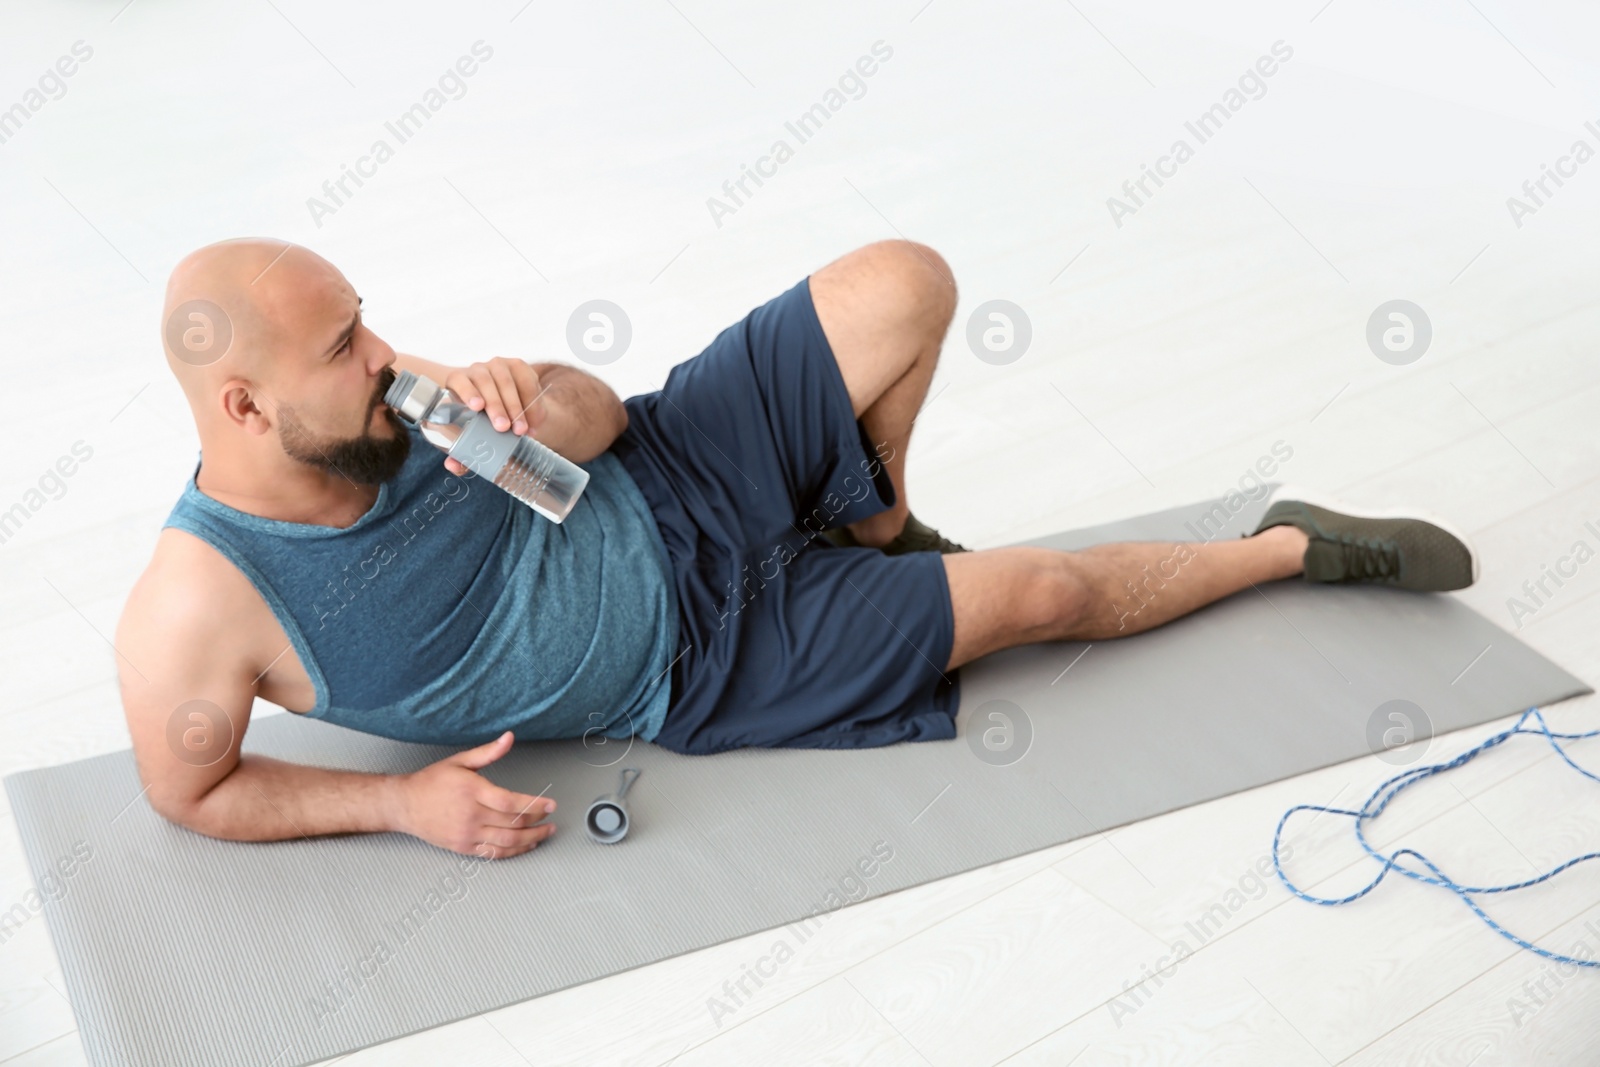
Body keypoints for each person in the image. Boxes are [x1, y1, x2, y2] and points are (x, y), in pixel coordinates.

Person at [117, 237, 1477, 860]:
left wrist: (536, 392)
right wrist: (397, 804)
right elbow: (193, 794)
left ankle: (875, 519)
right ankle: (1290, 548)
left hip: (673, 464)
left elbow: (594, 419)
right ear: (243, 409)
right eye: (346, 347)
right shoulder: (194, 613)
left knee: (906, 282)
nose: (383, 354)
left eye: (367, 320)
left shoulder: (384, 394)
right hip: (709, 660)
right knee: (1046, 592)